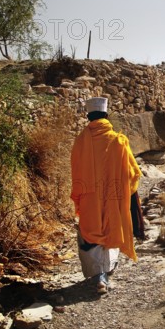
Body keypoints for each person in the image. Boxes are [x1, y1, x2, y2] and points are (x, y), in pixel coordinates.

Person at [70, 97, 142, 294]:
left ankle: (98, 275)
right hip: (113, 196)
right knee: (111, 227)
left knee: (91, 231)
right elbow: (132, 172)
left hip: (89, 197)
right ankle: (105, 272)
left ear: (89, 117)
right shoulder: (118, 140)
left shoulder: (80, 141)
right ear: (106, 116)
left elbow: (75, 170)